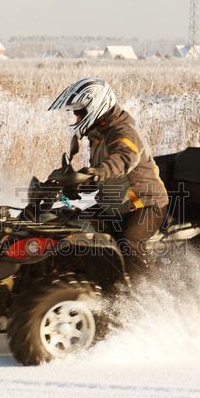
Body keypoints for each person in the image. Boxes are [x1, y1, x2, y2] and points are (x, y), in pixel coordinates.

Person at [48, 77, 169, 277]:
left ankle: (150, 297)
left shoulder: (122, 131)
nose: (76, 119)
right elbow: (103, 177)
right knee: (73, 224)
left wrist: (99, 172)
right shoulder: (98, 134)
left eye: (79, 113)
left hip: (145, 204)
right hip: (114, 206)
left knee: (129, 243)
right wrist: (76, 184)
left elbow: (124, 157)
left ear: (95, 107)